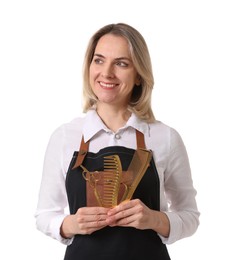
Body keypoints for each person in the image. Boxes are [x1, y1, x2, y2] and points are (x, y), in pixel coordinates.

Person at [35, 23, 200, 259]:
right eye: (99, 60)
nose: (107, 73)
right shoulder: (64, 137)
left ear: (139, 76)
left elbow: (190, 216)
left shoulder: (165, 138)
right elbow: (44, 215)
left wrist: (154, 219)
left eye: (121, 63)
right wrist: (71, 224)